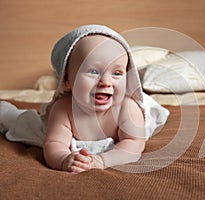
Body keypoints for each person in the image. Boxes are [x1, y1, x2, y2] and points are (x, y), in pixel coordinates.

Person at [0, 24, 169, 174]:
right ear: (67, 80)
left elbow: (133, 144)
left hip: (134, 122)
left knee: (142, 125)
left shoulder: (127, 108)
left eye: (117, 73)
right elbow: (54, 144)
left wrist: (102, 161)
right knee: (27, 125)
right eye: (94, 71)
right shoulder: (63, 109)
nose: (105, 82)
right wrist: (64, 159)